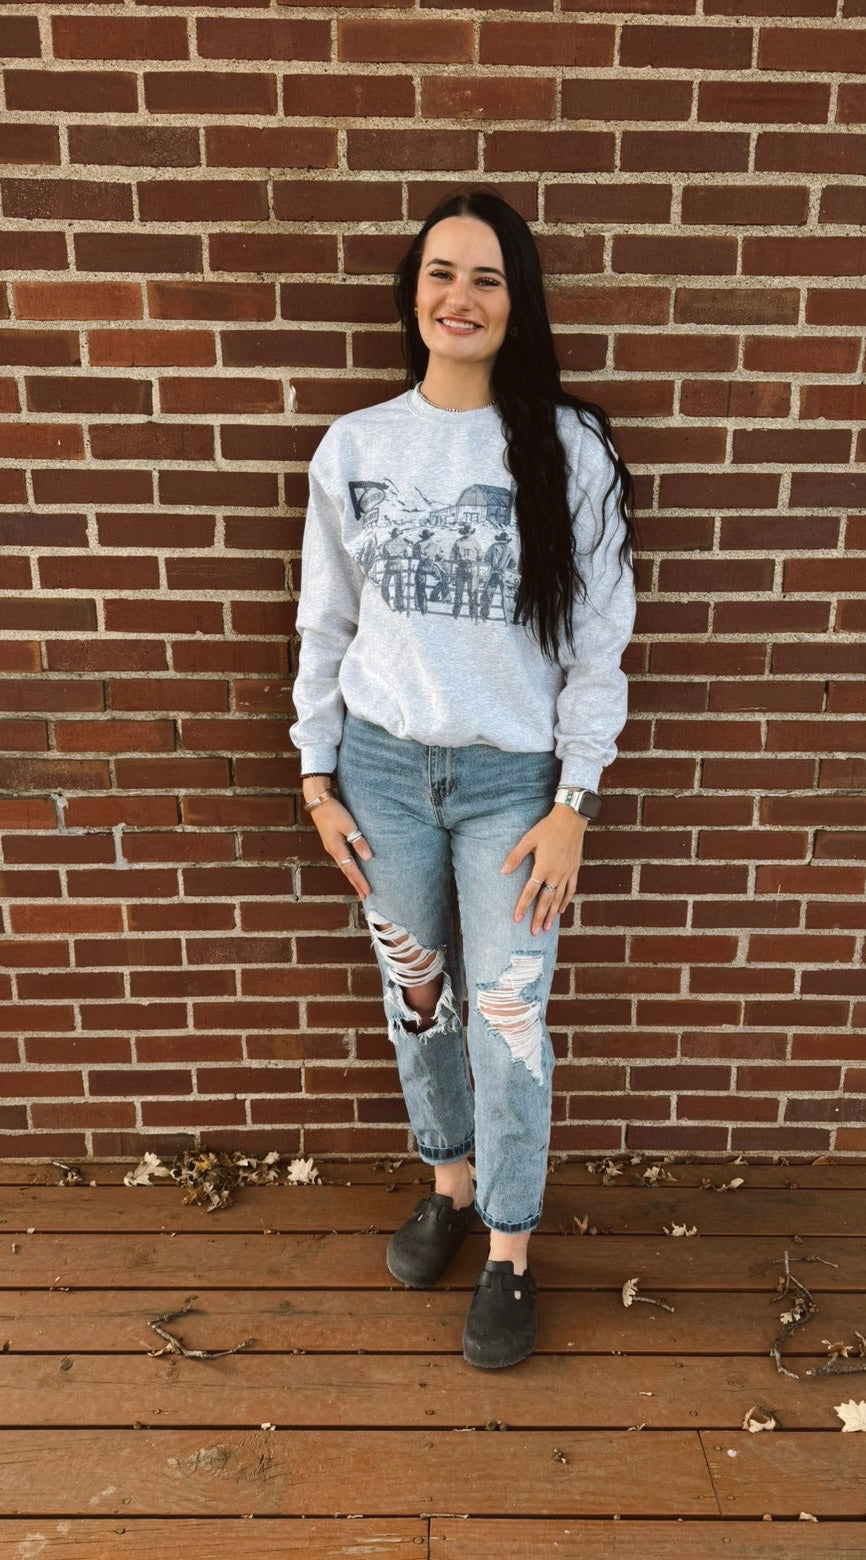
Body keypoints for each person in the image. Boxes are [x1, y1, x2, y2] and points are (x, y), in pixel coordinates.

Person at [290, 189, 636, 1370]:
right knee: (418, 997)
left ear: (516, 303)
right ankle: (447, 1184)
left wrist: (572, 801)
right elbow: (324, 623)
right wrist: (315, 777)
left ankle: (509, 1247)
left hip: (512, 789)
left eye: (487, 277)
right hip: (380, 774)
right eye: (441, 273)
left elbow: (597, 646)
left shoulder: (569, 451)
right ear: (413, 295)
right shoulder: (356, 448)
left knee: (508, 1014)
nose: (460, 296)